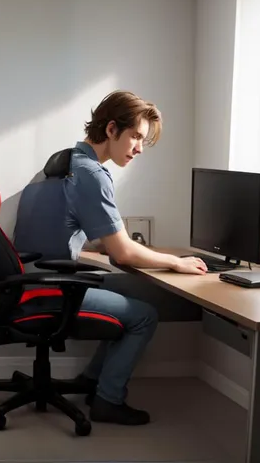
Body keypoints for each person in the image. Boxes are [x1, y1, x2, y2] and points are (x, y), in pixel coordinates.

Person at [64, 90, 207, 425]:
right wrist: (175, 262)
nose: (139, 149)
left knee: (127, 292)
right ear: (112, 129)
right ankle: (107, 401)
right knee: (144, 316)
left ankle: (91, 380)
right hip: (54, 286)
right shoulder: (93, 173)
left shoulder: (69, 161)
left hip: (36, 275)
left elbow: (68, 231)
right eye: (136, 137)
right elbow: (124, 252)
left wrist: (101, 245)